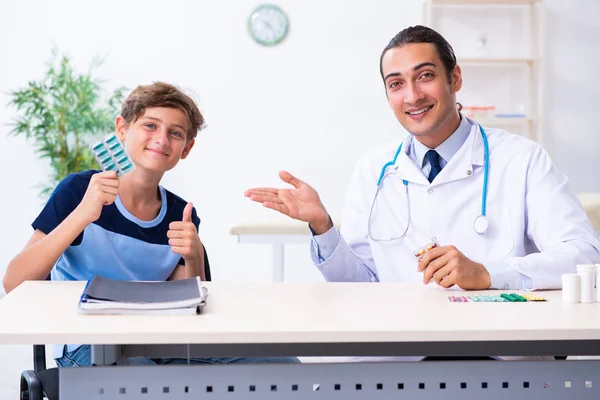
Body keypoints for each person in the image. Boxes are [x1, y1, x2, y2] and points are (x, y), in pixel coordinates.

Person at [245, 25, 600, 291]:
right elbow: (357, 284)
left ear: (455, 77)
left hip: (491, 349)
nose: (412, 95)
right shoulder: (374, 170)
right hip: (400, 353)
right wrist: (322, 225)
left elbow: (585, 255)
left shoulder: (522, 159)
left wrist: (489, 273)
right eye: (396, 83)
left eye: (425, 76)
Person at [3, 82, 297, 367]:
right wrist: (82, 214)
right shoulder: (79, 191)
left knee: (282, 364)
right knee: (142, 378)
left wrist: (193, 256)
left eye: (175, 132)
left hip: (160, 341)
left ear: (186, 147)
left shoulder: (181, 214)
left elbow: (190, 310)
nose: (162, 139)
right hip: (87, 342)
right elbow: (14, 283)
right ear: (122, 128)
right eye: (150, 125)